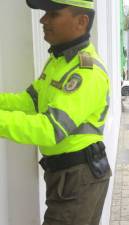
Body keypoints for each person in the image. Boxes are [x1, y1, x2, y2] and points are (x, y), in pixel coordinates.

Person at [0, 1, 111, 225]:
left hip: (78, 178)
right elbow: (30, 100)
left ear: (81, 22)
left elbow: (50, 129)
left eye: (53, 14)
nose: (43, 20)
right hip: (68, 176)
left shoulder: (86, 71)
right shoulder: (58, 62)